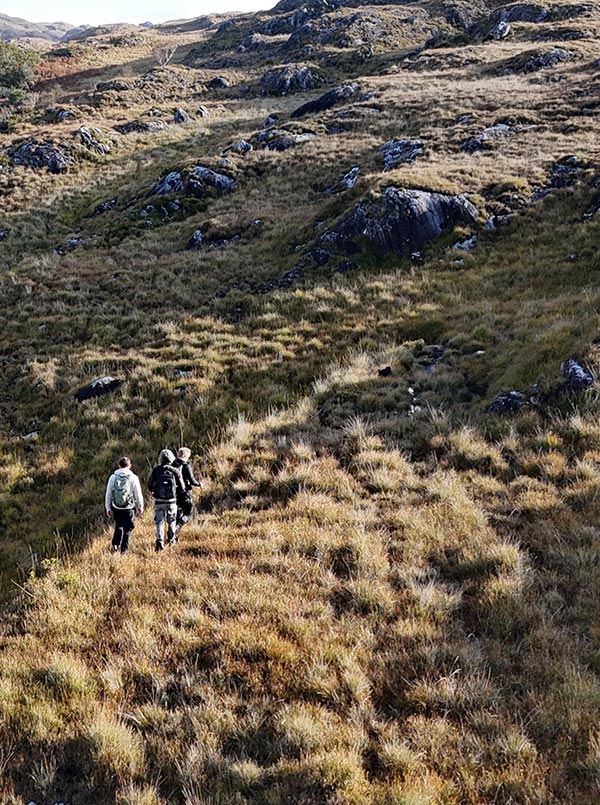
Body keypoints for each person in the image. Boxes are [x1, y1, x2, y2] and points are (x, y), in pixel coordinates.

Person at [148, 448, 185, 551]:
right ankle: (171, 539)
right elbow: (182, 488)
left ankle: (159, 541)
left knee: (159, 522)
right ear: (171, 458)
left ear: (160, 458)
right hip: (171, 501)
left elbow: (149, 484)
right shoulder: (175, 471)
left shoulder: (156, 470)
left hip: (159, 501)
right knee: (172, 521)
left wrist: (152, 491)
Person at [105, 456, 144, 554]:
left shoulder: (113, 477)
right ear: (129, 466)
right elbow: (138, 494)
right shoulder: (133, 477)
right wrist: (140, 506)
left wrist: (108, 508)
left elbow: (108, 494)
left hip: (116, 506)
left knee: (118, 525)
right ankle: (124, 550)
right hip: (129, 507)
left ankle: (115, 545)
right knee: (128, 528)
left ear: (119, 466)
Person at [173, 446, 203, 533]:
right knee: (187, 513)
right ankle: (176, 528)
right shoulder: (186, 466)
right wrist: (199, 484)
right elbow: (192, 480)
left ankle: (173, 533)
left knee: (176, 514)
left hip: (173, 494)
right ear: (186, 456)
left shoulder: (172, 465)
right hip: (184, 493)